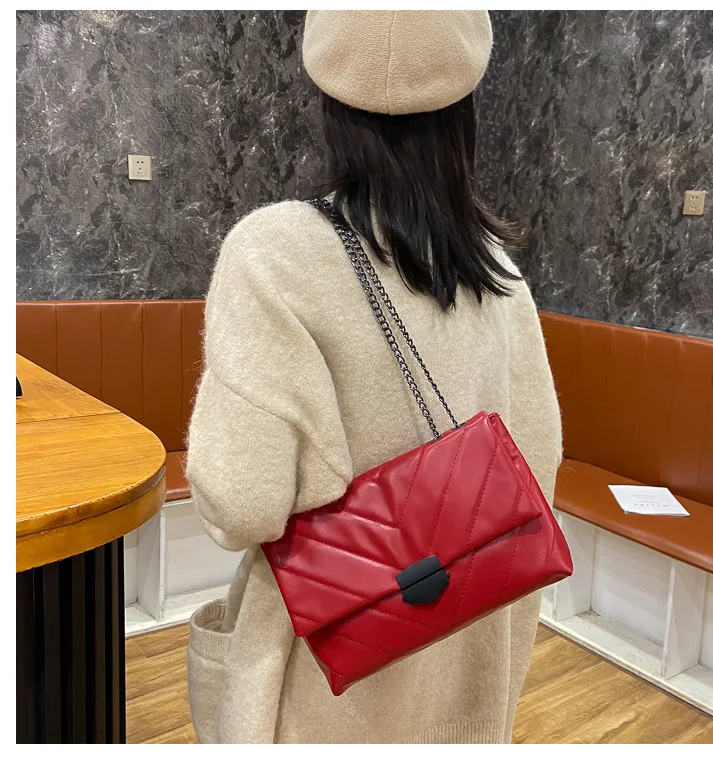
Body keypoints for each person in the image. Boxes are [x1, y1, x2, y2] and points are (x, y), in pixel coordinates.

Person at [185, 10, 562, 744]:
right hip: (471, 672)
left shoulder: (274, 255)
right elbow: (537, 462)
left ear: (330, 97)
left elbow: (240, 504)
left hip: (325, 694)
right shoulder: (499, 275)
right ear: (465, 103)